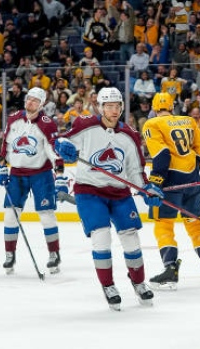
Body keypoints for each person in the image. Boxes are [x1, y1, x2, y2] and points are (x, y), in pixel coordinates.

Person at [53, 87, 162, 310]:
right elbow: (61, 142)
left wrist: (146, 188)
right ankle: (108, 285)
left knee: (131, 238)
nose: (113, 110)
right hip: (89, 191)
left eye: (117, 106)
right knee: (101, 236)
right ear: (100, 107)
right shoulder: (85, 125)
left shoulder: (130, 134)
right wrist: (64, 148)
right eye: (109, 106)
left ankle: (139, 282)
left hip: (120, 193)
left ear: (122, 107)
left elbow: (135, 170)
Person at [142, 92, 200, 289]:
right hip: (192, 181)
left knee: (164, 224)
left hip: (170, 184)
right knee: (194, 223)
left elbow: (162, 155)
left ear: (154, 108)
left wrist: (155, 183)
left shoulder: (152, 124)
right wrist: (192, 170)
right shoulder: (188, 121)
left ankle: (170, 269)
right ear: (172, 106)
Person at [0, 87, 64, 275]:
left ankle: (54, 254)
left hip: (41, 175)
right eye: (29, 99)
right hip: (17, 175)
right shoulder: (14, 119)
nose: (30, 102)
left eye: (35, 100)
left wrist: (59, 175)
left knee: (46, 214)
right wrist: (2, 167)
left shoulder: (47, 123)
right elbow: (6, 146)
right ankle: (10, 254)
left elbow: (54, 151)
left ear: (41, 104)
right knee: (10, 215)